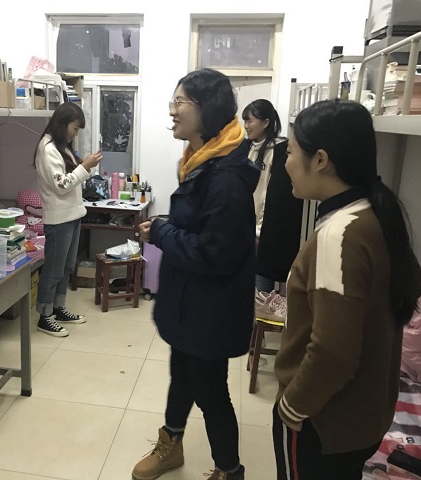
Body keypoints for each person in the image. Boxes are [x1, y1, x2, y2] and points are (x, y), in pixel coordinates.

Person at [273, 99, 421, 479]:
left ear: (320, 160)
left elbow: (332, 352)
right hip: (363, 418)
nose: (285, 163)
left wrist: (292, 407)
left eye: (290, 151)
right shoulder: (375, 215)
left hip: (323, 422)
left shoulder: (339, 235)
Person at [132, 68, 260, 480]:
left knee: (211, 392)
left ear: (207, 110)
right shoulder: (200, 163)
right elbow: (199, 228)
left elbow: (214, 254)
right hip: (191, 303)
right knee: (182, 376)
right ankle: (171, 444)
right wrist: (168, 228)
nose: (172, 111)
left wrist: (162, 232)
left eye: (180, 102)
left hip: (210, 310)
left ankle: (229, 470)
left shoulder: (225, 178)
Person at [32, 102, 102, 337]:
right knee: (54, 269)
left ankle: (58, 308)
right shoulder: (47, 148)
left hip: (72, 215)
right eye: (75, 128)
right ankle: (44, 316)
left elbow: (71, 177)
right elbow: (62, 185)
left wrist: (84, 165)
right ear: (63, 124)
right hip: (59, 219)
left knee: (66, 267)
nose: (75, 133)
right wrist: (85, 166)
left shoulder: (62, 147)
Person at [242, 99, 303, 294]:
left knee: (262, 287)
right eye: (245, 121)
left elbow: (272, 196)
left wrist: (259, 231)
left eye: (250, 120)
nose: (246, 126)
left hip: (264, 229)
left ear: (266, 122)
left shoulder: (279, 149)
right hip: (244, 226)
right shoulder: (246, 148)